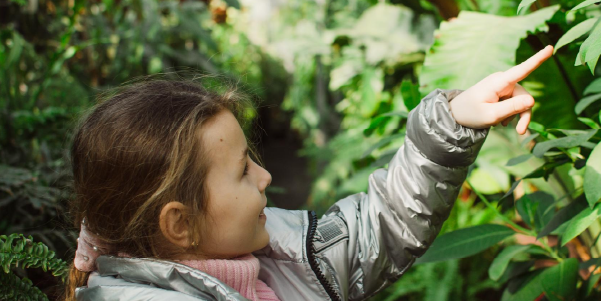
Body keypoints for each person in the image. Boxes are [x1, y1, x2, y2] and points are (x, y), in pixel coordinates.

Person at [65, 46, 554, 301]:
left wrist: (452, 120)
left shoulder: (268, 251)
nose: (264, 176)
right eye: (241, 172)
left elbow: (377, 230)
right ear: (180, 224)